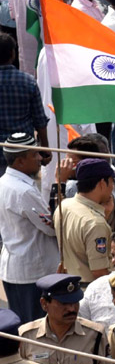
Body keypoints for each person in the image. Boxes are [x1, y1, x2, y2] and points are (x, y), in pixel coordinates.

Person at [0, 133, 58, 322]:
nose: (40, 158)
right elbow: (52, 227)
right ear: (20, 161)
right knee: (36, 332)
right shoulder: (23, 191)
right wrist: (60, 184)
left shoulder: (4, 182)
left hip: (16, 269)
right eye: (35, 155)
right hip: (32, 273)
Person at [54, 158, 115, 286]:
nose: (112, 187)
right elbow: (99, 273)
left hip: (69, 286)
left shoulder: (64, 205)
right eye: (111, 182)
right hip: (89, 290)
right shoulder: (95, 223)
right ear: (101, 183)